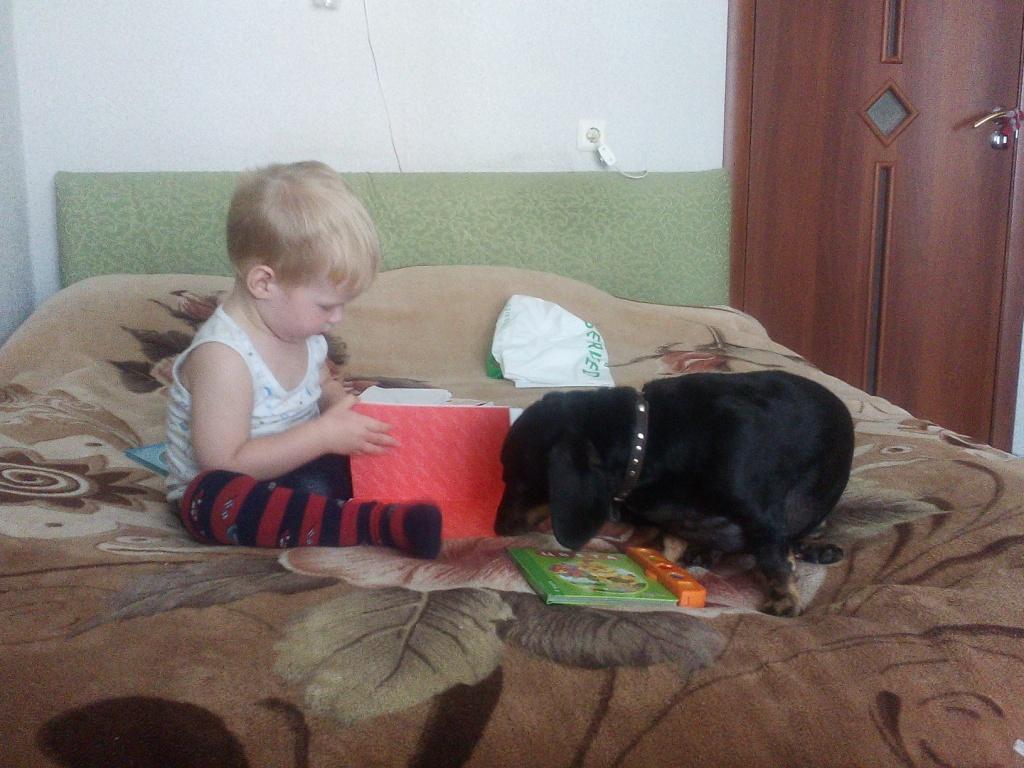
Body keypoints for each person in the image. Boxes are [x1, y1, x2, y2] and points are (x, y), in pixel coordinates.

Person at [165, 161, 441, 558]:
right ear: (264, 283)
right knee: (214, 499)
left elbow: (322, 384)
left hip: (299, 469)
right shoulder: (223, 358)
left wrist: (342, 408)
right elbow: (224, 463)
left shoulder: (304, 333)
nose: (337, 318)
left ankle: (365, 510)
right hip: (232, 489)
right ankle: (373, 523)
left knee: (363, 457)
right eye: (326, 305)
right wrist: (323, 436)